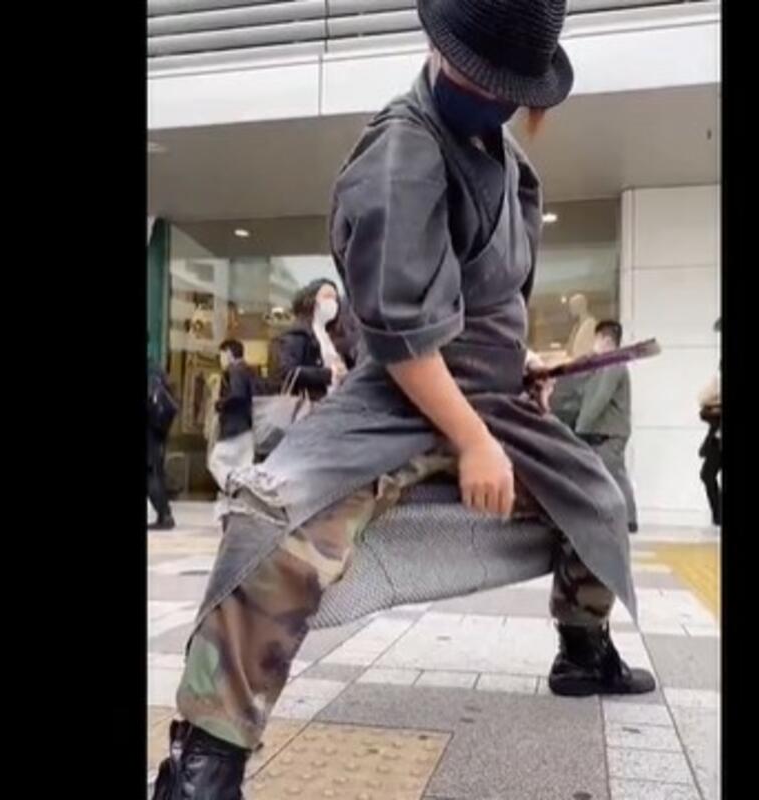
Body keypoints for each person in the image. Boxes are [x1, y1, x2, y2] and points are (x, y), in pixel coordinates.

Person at [154, 3, 654, 796]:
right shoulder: (403, 150)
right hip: (395, 394)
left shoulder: (506, 157)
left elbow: (491, 298)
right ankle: (205, 760)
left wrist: (521, 362)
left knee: (598, 495)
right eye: (482, 78)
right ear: (437, 45)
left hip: (495, 395)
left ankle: (583, 649)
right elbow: (401, 331)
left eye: (509, 87)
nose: (495, 97)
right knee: (271, 519)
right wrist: (472, 441)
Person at [571, 321, 639, 533]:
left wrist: (580, 428)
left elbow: (599, 399)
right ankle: (617, 518)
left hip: (611, 432)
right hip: (603, 431)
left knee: (614, 474)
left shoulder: (613, 364)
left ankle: (628, 520)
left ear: (606, 340)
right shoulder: (603, 364)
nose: (595, 344)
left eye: (597, 339)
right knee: (609, 474)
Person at [274, 278, 348, 400]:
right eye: (327, 296)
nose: (332, 302)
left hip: (337, 401)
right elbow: (287, 371)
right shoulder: (298, 335)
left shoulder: (334, 335)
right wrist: (328, 374)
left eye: (335, 298)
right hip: (312, 403)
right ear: (311, 300)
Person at [206, 339, 256, 490]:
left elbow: (238, 394)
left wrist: (220, 404)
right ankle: (240, 494)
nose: (220, 359)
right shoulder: (249, 370)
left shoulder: (236, 370)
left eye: (221, 355)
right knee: (243, 467)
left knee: (215, 461)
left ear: (228, 353)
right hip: (247, 426)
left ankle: (233, 489)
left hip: (235, 428)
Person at [148, 344, 178, 531]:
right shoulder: (155, 368)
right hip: (156, 429)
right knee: (153, 471)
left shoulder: (151, 370)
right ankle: (164, 514)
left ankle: (165, 515)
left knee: (151, 473)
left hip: (150, 429)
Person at [698, 331, 722, 526]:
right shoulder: (717, 386)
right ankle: (718, 514)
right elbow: (703, 405)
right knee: (707, 475)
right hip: (716, 441)